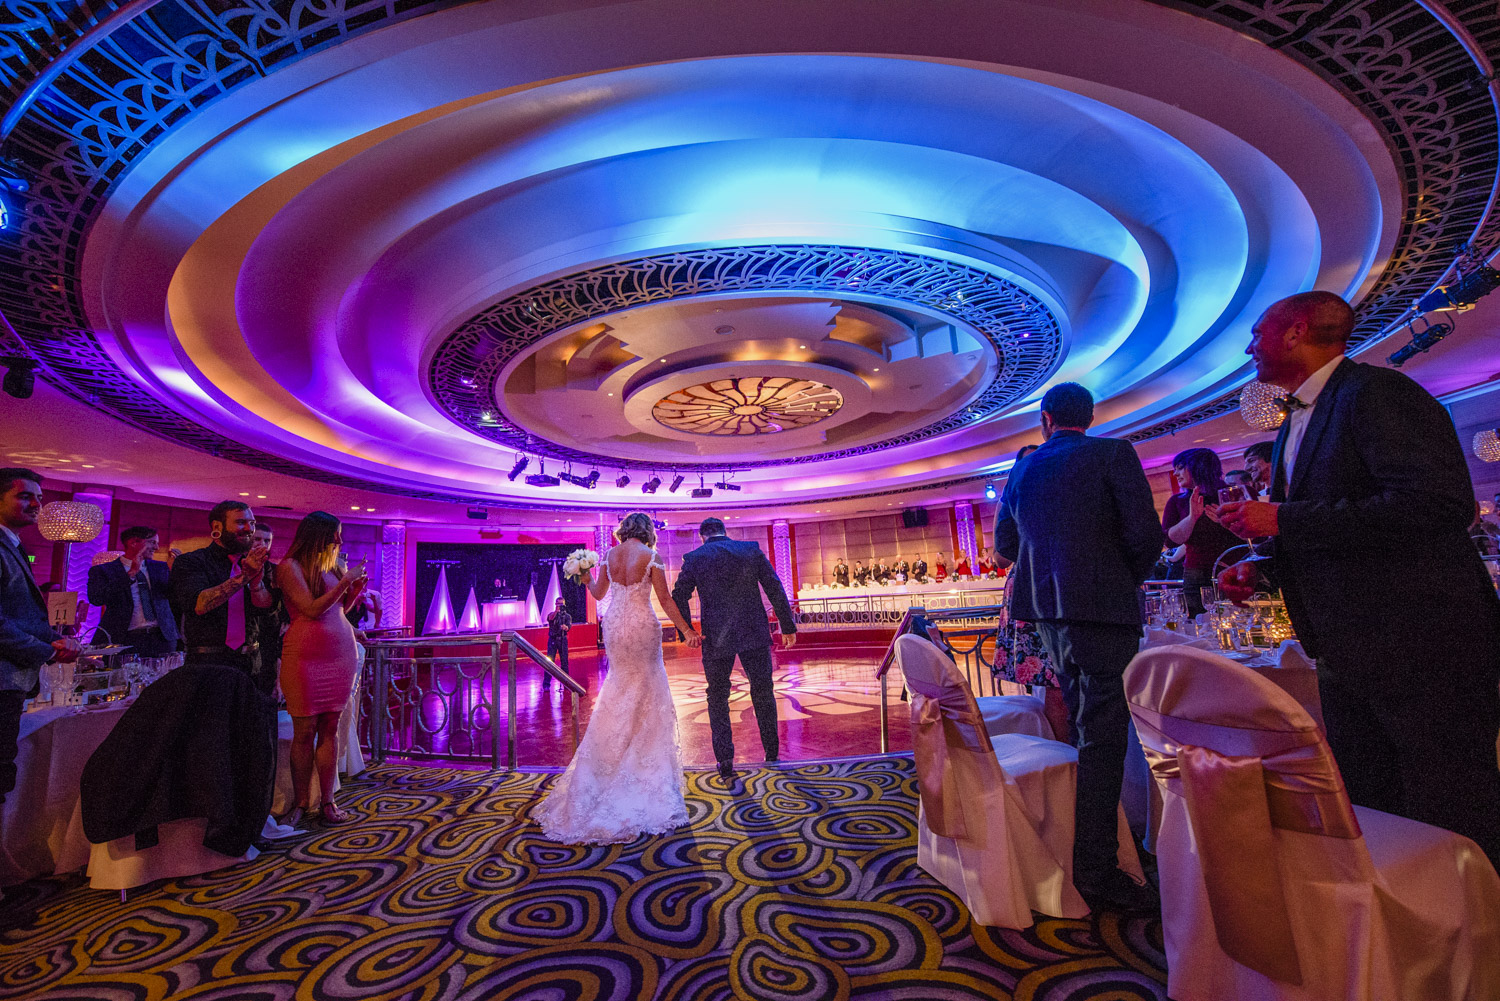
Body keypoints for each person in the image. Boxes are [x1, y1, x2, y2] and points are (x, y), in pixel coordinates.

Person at [1219, 290, 1500, 865]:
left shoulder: (1378, 393)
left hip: (1421, 643)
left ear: (1295, 332)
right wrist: (1265, 569)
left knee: (1452, 806)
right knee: (1378, 805)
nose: (1250, 346)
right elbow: (1342, 531)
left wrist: (1282, 518)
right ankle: (1412, 933)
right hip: (1346, 646)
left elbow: (1437, 507)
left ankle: (1480, 935)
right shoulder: (1294, 420)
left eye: (1258, 332)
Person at [993, 383, 1163, 911]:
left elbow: (1004, 547)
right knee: (1103, 735)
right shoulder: (1113, 452)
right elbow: (1146, 535)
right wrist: (1120, 579)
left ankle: (1095, 848)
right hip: (1104, 611)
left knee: (1089, 726)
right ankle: (1097, 864)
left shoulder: (1022, 469)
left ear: (1045, 419)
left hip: (1046, 613)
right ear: (1089, 417)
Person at [538, 512, 699, 842]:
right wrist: (685, 630)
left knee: (619, 686)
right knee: (648, 687)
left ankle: (608, 763)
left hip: (615, 626)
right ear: (648, 532)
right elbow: (665, 599)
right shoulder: (651, 556)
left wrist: (584, 576)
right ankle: (644, 769)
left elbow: (597, 594)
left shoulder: (610, 555)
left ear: (624, 531)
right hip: (642, 626)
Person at [672, 516, 797, 780]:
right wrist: (787, 626)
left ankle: (726, 760)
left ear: (702, 536)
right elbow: (774, 586)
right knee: (763, 691)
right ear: (724, 532)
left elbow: (678, 596)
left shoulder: (695, 557)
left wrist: (688, 632)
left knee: (717, 697)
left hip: (716, 637)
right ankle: (772, 753)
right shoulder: (750, 549)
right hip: (754, 631)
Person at [276, 511, 367, 826]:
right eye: (335, 534)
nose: (339, 541)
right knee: (304, 732)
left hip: (340, 653)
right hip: (305, 656)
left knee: (331, 727)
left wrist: (352, 592)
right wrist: (345, 582)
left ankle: (327, 801)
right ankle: (301, 802)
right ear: (317, 535)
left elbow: (339, 610)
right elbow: (312, 609)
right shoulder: (289, 568)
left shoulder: (333, 567)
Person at [0, 469, 81, 811]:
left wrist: (55, 640)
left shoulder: (12, 544)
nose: (36, 504)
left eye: (39, 498)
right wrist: (46, 651)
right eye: (24, 496)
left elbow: (22, 615)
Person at [169, 501, 274, 677]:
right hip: (206, 663)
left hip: (252, 664)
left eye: (252, 523)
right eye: (241, 522)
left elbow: (267, 610)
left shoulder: (259, 564)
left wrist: (256, 583)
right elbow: (199, 604)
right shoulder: (192, 562)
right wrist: (244, 577)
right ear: (217, 526)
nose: (249, 529)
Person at [1162, 447, 1243, 617]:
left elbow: (1257, 537)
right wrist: (1192, 517)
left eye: (1180, 467)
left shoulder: (1233, 494)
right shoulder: (1178, 501)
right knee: (1198, 624)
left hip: (1235, 569)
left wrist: (1226, 524)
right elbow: (1170, 542)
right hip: (1195, 572)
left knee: (1239, 621)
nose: (1175, 473)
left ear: (1198, 466)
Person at [86, 526, 178, 656]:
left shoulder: (161, 567)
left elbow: (174, 597)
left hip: (161, 638)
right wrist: (130, 575)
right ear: (133, 543)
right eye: (152, 542)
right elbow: (96, 599)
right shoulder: (104, 570)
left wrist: (177, 573)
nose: (157, 548)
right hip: (124, 639)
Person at [248, 523, 284, 695]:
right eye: (257, 539)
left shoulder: (277, 572)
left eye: (267, 540)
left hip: (268, 644)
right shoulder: (234, 568)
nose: (262, 544)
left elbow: (283, 613)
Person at [544, 596, 571, 686]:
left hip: (562, 640)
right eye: (558, 604)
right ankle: (547, 684)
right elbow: (550, 618)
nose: (560, 606)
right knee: (550, 662)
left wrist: (566, 627)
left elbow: (569, 626)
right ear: (555, 604)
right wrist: (556, 611)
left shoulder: (567, 616)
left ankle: (566, 683)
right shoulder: (552, 614)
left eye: (561, 604)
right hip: (553, 640)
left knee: (564, 662)